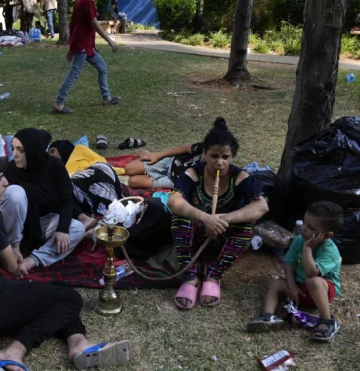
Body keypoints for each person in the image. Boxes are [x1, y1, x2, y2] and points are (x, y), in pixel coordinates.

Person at [0, 152, 132, 371]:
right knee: (70, 299)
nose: (6, 182)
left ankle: (78, 343)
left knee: (59, 291)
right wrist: (21, 260)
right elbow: (13, 268)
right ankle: (13, 351)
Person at [167, 118, 269, 310]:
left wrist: (224, 219)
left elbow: (261, 207)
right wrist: (205, 218)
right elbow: (173, 202)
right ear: (204, 154)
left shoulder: (240, 177)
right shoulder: (193, 174)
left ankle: (214, 275)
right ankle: (190, 277)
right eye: (214, 156)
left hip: (224, 236)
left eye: (225, 157)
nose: (219, 162)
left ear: (232, 157)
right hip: (196, 237)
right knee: (179, 217)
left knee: (247, 224)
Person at [246, 201, 344, 342]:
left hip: (321, 291)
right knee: (275, 282)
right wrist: (292, 287)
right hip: (299, 289)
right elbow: (288, 263)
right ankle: (268, 316)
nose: (303, 228)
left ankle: (327, 321)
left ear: (327, 235)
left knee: (313, 281)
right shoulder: (299, 239)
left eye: (310, 227)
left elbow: (311, 272)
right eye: (304, 222)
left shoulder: (330, 251)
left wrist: (307, 248)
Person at [0, 128, 86, 275]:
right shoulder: (11, 169)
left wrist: (62, 229)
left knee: (77, 228)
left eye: (21, 150)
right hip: (13, 227)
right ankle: (12, 248)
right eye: (13, 149)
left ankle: (32, 260)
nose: (14, 155)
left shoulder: (54, 166)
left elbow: (66, 199)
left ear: (33, 151)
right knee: (15, 194)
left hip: (40, 224)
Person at [52, 0, 120, 115]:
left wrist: (72, 48)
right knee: (74, 72)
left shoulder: (81, 1)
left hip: (86, 45)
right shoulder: (87, 1)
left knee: (102, 67)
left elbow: (74, 25)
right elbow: (94, 24)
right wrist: (110, 41)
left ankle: (106, 98)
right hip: (82, 44)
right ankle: (59, 102)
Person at [48, 140, 121, 218]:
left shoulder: (79, 149)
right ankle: (110, 209)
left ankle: (111, 209)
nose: (50, 157)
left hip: (98, 172)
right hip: (83, 186)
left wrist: (82, 170)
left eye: (51, 152)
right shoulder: (61, 167)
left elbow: (101, 160)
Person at [124, 140, 209, 189]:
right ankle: (151, 160)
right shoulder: (205, 147)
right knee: (129, 169)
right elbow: (186, 148)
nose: (205, 157)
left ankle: (152, 172)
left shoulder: (214, 170)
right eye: (204, 152)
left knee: (132, 181)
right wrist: (157, 155)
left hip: (173, 181)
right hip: (171, 161)